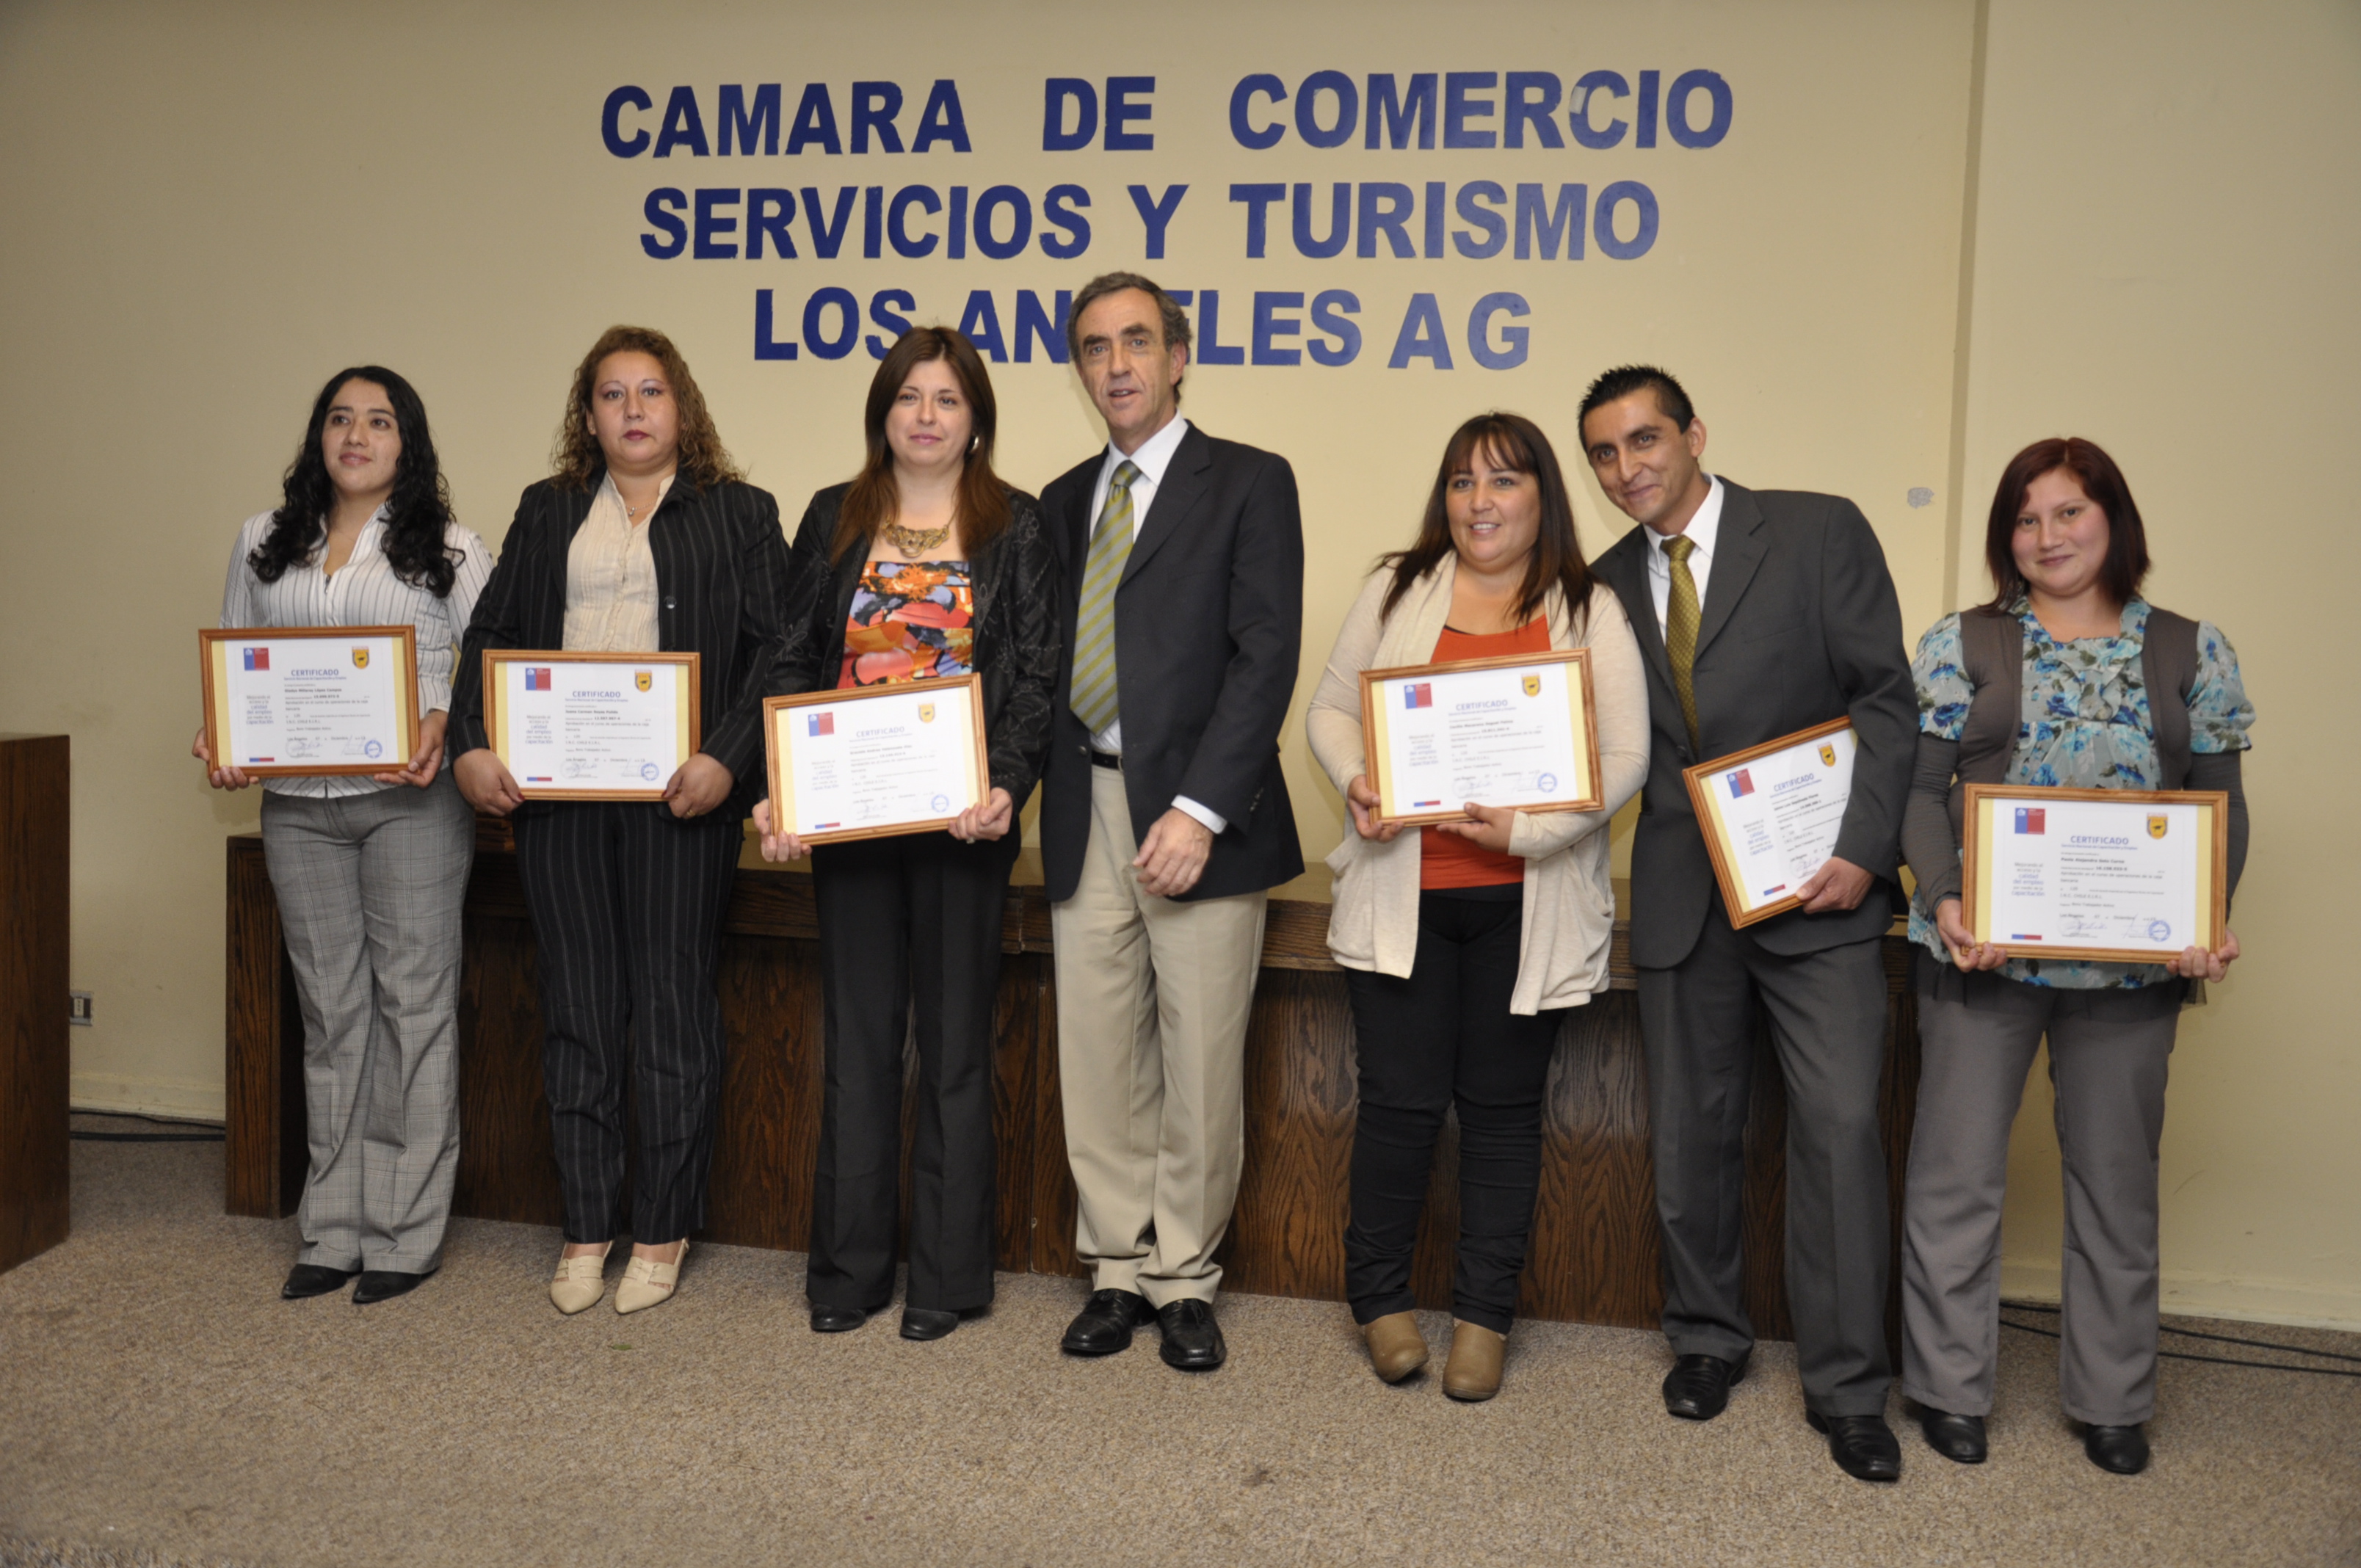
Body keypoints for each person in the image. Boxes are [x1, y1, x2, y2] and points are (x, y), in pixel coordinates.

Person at [1581, 366, 1918, 1480]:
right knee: (1691, 1134)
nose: (1627, 468)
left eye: (1644, 440)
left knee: (1841, 1131)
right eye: (1605, 453)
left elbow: (1886, 701)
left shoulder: (1817, 533)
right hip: (1687, 892)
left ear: (1694, 434)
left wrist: (1863, 847)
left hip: (1821, 888)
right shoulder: (1601, 584)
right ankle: (1707, 1340)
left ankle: (1849, 1388)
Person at [1898, 438, 2250, 1476]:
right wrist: (1946, 898)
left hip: (2132, 970)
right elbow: (1919, 792)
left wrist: (2208, 916)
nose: (2047, 536)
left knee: (2115, 1184)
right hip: (1980, 955)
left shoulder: (2190, 650)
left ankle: (2112, 1401)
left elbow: (2223, 804)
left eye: (2069, 512)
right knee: (1955, 1177)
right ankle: (1947, 1389)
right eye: (2025, 518)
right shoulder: (1963, 643)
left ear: (2113, 520)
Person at [1305, 413, 1648, 1399]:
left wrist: (1532, 830)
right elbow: (1331, 709)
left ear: (1543, 495)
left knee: (1502, 1116)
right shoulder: (1397, 588)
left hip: (1523, 908)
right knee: (1398, 1108)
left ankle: (1484, 1318)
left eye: (1502, 481)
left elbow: (1627, 754)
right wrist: (1359, 779)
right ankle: (1379, 1301)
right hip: (1404, 898)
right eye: (1462, 482)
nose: (1480, 501)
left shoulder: (1589, 606)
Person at [449, 326, 790, 1317]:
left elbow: (777, 650)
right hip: (557, 801)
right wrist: (471, 744)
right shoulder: (547, 507)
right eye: (612, 394)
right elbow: (492, 631)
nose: (633, 410)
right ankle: (588, 1223)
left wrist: (726, 759)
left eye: (651, 391)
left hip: (682, 799)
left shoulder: (740, 513)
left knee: (672, 1010)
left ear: (684, 406)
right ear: (588, 414)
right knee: (578, 1009)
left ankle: (663, 1226)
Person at [751, 327, 1059, 1341]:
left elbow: (1037, 676)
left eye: (948, 399)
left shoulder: (1016, 524)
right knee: (859, 1044)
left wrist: (1007, 784)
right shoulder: (832, 516)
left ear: (977, 421)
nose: (927, 416)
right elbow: (791, 655)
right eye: (909, 397)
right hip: (849, 822)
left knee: (957, 1048)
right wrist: (782, 788)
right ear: (882, 412)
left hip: (963, 825)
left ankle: (946, 1279)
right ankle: (848, 1272)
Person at [1040, 272, 1305, 1372]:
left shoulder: (1248, 480)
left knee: (1199, 1060)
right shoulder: (1061, 500)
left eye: (1138, 341)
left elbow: (1265, 655)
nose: (1117, 365)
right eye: (1096, 347)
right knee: (1099, 1054)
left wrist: (1198, 809)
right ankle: (1116, 1268)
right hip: (1084, 804)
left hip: (1200, 811)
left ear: (1179, 355)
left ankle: (1185, 1278)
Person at [197, 366, 492, 1305]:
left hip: (412, 803)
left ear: (410, 443)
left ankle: (403, 1233)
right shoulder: (262, 540)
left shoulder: (452, 547)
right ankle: (332, 1228)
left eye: (379, 421)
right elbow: (237, 656)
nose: (356, 436)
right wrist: (221, 736)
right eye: (339, 418)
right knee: (330, 1017)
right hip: (297, 807)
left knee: (413, 1011)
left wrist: (443, 716)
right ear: (317, 436)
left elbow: (490, 667)